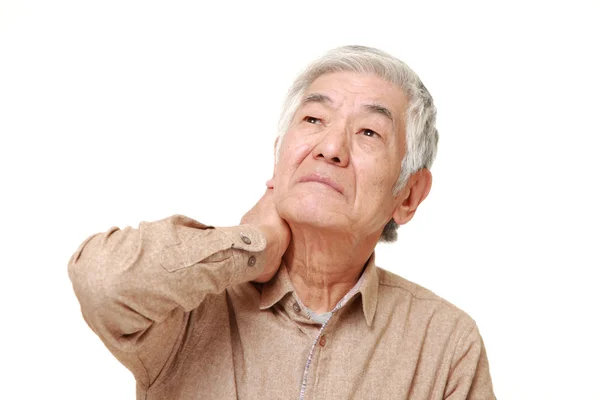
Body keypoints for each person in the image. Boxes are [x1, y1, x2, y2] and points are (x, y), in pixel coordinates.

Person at [68, 45, 495, 399]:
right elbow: (99, 281)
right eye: (313, 119)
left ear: (409, 195)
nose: (330, 147)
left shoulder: (445, 344)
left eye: (368, 132)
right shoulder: (190, 304)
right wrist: (251, 244)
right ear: (279, 156)